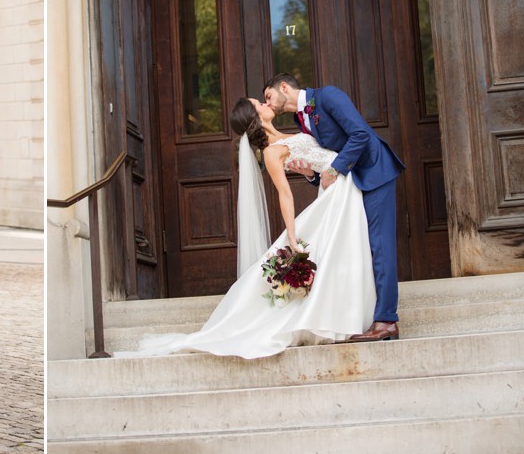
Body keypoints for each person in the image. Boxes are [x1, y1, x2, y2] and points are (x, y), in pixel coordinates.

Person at [117, 97, 375, 359]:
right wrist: (292, 235)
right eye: (259, 104)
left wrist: (310, 172)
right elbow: (284, 195)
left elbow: (314, 162)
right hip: (337, 192)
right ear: (255, 117)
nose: (266, 104)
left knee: (343, 253)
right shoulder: (272, 152)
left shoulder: (287, 136)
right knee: (341, 251)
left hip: (340, 184)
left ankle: (346, 314)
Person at [264, 72, 404, 342]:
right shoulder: (300, 118)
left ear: (283, 87)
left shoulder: (327, 96)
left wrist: (336, 170)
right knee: (361, 248)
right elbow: (326, 157)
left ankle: (387, 321)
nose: (268, 103)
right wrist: (310, 174)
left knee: (380, 246)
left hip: (374, 174)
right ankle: (365, 316)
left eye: (269, 96)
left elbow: (360, 134)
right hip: (349, 186)